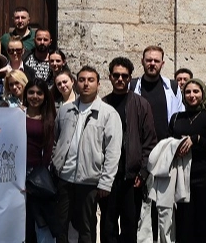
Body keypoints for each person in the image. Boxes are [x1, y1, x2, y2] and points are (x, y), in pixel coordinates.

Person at [52, 66, 122, 243]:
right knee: (60, 227)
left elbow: (113, 151)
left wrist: (106, 182)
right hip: (64, 178)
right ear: (76, 83)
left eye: (91, 80)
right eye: (82, 80)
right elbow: (55, 140)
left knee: (86, 229)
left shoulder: (108, 114)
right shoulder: (65, 111)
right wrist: (55, 163)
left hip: (89, 180)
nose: (86, 84)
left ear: (98, 84)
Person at [100, 57, 157, 243]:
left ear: (130, 78)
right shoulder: (102, 105)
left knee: (130, 226)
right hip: (108, 177)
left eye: (124, 76)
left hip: (132, 178)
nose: (120, 79)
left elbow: (149, 141)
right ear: (110, 76)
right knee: (107, 226)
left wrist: (143, 171)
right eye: (116, 75)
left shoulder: (141, 104)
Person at [130, 45, 183, 242]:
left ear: (162, 63)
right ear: (142, 62)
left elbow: (179, 118)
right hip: (139, 155)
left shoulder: (173, 87)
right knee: (140, 209)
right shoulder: (132, 86)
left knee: (164, 210)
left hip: (165, 156)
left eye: (156, 60)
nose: (152, 63)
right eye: (149, 60)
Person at [170, 77, 206, 243]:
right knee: (184, 226)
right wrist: (176, 148)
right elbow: (167, 143)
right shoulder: (176, 118)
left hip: (205, 179)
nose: (192, 95)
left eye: (196, 91)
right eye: (188, 92)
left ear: (203, 93)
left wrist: (198, 139)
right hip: (181, 179)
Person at [24, 79, 60, 243]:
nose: (35, 96)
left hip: (38, 178)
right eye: (31, 92)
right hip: (16, 175)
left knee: (41, 223)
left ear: (45, 96)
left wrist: (37, 180)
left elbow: (49, 150)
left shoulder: (50, 119)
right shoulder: (17, 114)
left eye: (39, 93)